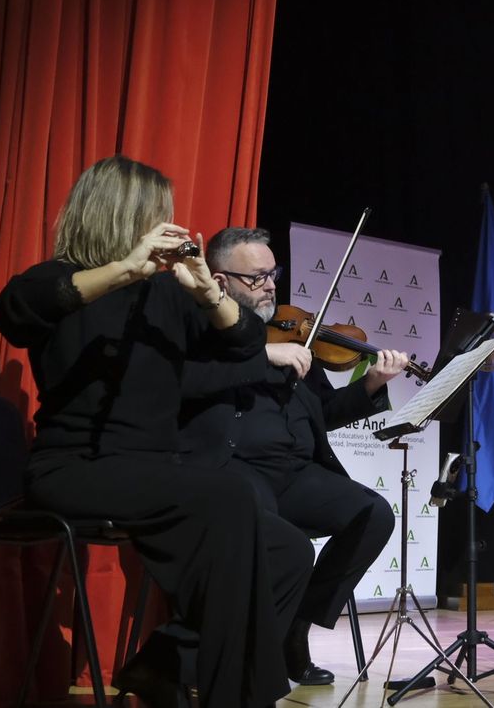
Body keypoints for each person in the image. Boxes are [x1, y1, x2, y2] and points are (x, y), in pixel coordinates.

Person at [0, 156, 312, 708]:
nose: (170, 227)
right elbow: (13, 314)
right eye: (157, 217)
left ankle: (168, 665)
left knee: (285, 548)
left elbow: (243, 344)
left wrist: (208, 291)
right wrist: (127, 269)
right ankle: (234, 698)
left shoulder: (167, 296)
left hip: (153, 470)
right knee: (231, 493)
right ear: (123, 219)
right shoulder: (57, 282)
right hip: (75, 469)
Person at [172, 227, 404, 686]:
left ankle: (296, 627)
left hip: (296, 472)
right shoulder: (199, 327)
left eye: (272, 274)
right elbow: (183, 382)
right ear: (220, 281)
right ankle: (237, 660)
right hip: (234, 468)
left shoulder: (297, 338)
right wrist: (262, 355)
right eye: (257, 277)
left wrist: (372, 385)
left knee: (373, 514)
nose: (271, 285)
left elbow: (326, 412)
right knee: (275, 535)